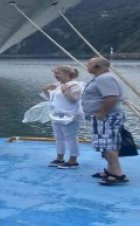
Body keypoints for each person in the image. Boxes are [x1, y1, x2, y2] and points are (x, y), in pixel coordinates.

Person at [82, 57, 129, 185]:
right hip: (108, 116)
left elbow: (111, 97)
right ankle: (111, 170)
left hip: (106, 117)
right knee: (110, 144)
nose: (86, 65)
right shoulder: (103, 77)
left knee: (107, 144)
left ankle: (117, 173)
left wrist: (102, 112)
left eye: (89, 63)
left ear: (97, 66)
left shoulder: (104, 78)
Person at [42, 65, 84, 169]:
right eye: (55, 73)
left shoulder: (75, 85)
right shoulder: (58, 85)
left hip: (71, 115)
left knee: (70, 137)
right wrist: (46, 91)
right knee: (58, 137)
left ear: (67, 74)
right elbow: (51, 100)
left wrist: (66, 91)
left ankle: (73, 160)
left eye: (58, 73)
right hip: (57, 114)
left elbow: (74, 100)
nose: (55, 75)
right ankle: (59, 157)